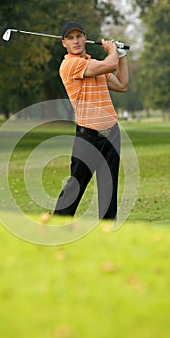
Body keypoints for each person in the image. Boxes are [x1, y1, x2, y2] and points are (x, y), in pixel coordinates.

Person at [54, 21, 129, 220]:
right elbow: (108, 64)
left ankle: (106, 234)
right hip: (88, 137)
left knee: (109, 191)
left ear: (85, 38)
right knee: (74, 187)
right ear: (64, 44)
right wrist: (112, 50)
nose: (75, 41)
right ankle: (55, 228)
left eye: (79, 36)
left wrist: (121, 56)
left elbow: (122, 84)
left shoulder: (93, 64)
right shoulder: (70, 65)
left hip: (111, 135)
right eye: (70, 38)